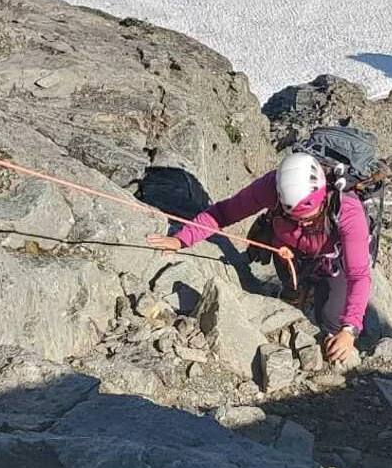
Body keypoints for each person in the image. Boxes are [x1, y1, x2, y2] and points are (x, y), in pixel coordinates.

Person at [146, 152, 371, 363]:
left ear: (322, 199)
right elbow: (223, 212)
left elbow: (359, 275)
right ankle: (297, 292)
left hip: (331, 263)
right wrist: (181, 239)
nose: (302, 223)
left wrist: (350, 329)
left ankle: (316, 299)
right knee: (291, 282)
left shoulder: (347, 211)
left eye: (309, 219)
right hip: (289, 254)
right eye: (295, 217)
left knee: (331, 321)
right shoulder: (271, 187)